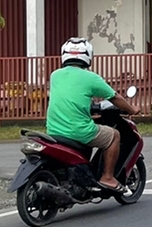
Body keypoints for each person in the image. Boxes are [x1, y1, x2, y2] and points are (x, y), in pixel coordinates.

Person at [46, 38, 137, 192]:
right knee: (113, 135)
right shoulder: (91, 78)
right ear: (88, 55)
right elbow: (114, 97)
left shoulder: (55, 75)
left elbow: (70, 97)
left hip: (53, 131)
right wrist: (132, 110)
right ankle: (107, 177)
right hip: (78, 131)